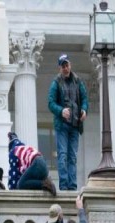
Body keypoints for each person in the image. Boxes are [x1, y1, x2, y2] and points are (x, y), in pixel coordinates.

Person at [48, 54, 88, 191]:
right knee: (63, 155)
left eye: (67, 65)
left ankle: (72, 185)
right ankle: (64, 185)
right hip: (62, 125)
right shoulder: (56, 82)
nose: (66, 68)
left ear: (70, 65)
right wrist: (61, 111)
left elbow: (84, 99)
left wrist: (84, 109)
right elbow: (51, 103)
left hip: (75, 125)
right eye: (63, 66)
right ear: (60, 68)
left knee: (73, 156)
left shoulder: (78, 81)